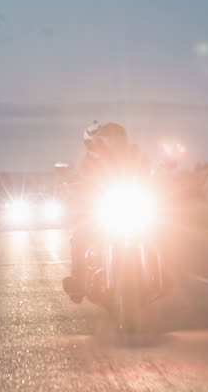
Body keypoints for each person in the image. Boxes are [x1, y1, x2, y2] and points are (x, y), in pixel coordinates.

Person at [62, 121, 147, 303]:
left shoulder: (135, 154)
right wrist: (75, 188)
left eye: (115, 139)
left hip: (132, 206)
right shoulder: (90, 160)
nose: (111, 143)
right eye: (108, 139)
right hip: (100, 208)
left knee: (161, 231)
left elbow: (148, 176)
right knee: (79, 235)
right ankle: (79, 282)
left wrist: (161, 182)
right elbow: (81, 180)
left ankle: (164, 272)